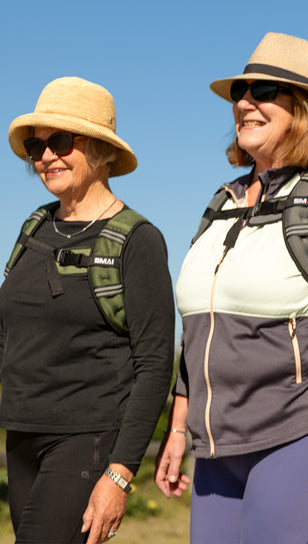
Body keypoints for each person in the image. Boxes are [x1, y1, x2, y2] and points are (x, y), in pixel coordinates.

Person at [154, 32, 308, 544]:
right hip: (216, 449)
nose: (243, 102)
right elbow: (197, 330)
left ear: (304, 109)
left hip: (300, 436)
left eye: (262, 91)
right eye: (241, 90)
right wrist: (177, 430)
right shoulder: (222, 201)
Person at [0, 76, 175, 544]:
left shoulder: (137, 241)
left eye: (60, 141)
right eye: (37, 147)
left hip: (86, 440)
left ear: (100, 149)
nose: (46, 157)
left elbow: (155, 364)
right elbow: (8, 334)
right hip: (20, 436)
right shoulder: (34, 227)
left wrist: (118, 474)